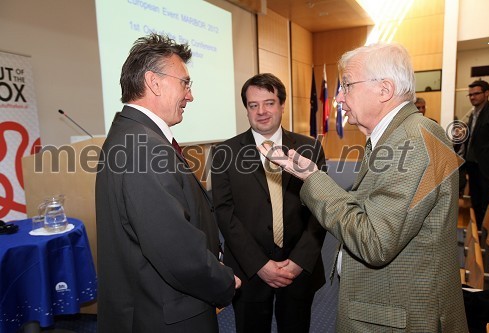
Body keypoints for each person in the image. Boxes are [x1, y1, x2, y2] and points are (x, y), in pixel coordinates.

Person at [259, 43, 468, 332]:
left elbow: (374, 241)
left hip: (401, 318)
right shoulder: (398, 136)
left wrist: (312, 177)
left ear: (384, 89)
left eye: (346, 86)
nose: (339, 98)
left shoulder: (412, 139)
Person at [95, 33, 240, 333]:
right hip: (164, 315)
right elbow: (175, 251)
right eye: (185, 83)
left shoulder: (132, 135)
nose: (190, 95)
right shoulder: (145, 147)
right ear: (154, 82)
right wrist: (223, 282)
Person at [211, 73, 326, 332]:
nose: (261, 111)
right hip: (249, 271)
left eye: (269, 102)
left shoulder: (310, 149)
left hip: (298, 269)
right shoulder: (224, 153)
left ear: (282, 105)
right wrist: (260, 265)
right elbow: (225, 214)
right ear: (247, 109)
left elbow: (321, 211)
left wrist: (298, 262)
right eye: (253, 105)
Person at [462, 79, 489, 228]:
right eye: (470, 95)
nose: (472, 97)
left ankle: (487, 242)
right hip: (473, 167)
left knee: (488, 207)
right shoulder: (473, 115)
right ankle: (477, 237)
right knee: (476, 204)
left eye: (476, 94)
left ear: (487, 93)